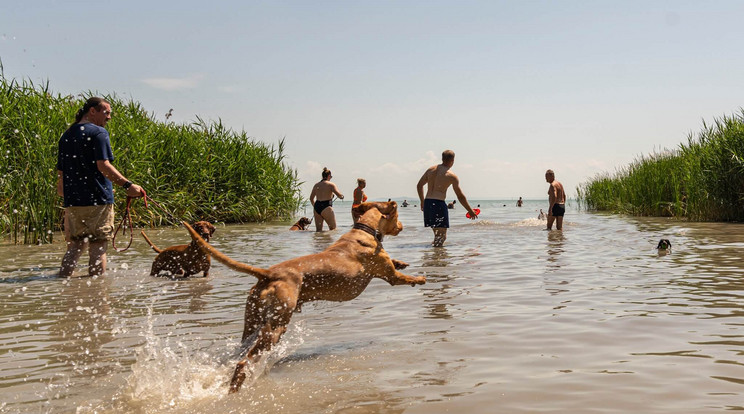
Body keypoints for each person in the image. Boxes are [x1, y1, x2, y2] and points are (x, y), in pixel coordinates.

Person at [57, 97, 145, 277]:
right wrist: (128, 185)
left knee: (75, 246)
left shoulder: (67, 135)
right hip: (97, 200)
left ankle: (62, 284)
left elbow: (61, 174)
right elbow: (103, 165)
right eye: (106, 112)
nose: (109, 117)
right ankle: (97, 292)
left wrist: (66, 197)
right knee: (98, 247)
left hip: (73, 201)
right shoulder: (99, 133)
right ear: (92, 111)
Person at [416, 150, 477, 247]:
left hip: (428, 203)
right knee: (442, 237)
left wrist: (422, 201)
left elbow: (419, 185)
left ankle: (432, 257)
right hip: (438, 204)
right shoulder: (451, 176)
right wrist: (470, 210)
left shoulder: (430, 170)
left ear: (442, 158)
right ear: (453, 160)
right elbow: (460, 196)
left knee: (437, 235)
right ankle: (437, 259)